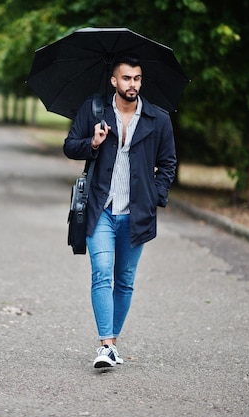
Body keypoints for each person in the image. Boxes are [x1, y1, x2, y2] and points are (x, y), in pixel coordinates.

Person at [63, 55, 177, 368]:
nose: (133, 84)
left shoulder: (158, 119)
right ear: (114, 81)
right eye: (126, 78)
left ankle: (111, 345)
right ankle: (106, 345)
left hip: (137, 213)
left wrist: (156, 195)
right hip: (101, 209)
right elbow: (70, 145)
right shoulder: (94, 110)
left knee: (124, 280)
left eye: (137, 78)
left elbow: (168, 163)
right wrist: (93, 143)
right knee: (101, 273)